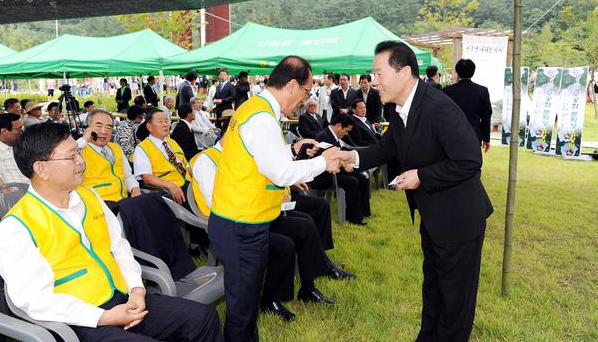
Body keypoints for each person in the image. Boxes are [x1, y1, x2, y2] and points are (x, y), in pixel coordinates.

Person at [0, 122, 222, 342]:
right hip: (76, 322)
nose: (81, 162)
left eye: (79, 154)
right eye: (72, 157)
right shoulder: (16, 227)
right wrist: (102, 317)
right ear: (41, 168)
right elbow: (33, 300)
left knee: (202, 318)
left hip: (122, 299)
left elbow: (119, 247)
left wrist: (136, 289)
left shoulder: (88, 197)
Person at [333, 41, 493, 342]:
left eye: (378, 73)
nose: (373, 80)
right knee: (433, 288)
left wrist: (422, 175)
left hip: (459, 219)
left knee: (454, 301)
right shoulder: (399, 108)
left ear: (405, 72)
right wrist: (351, 157)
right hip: (434, 217)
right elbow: (387, 147)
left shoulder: (438, 106)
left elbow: (470, 160)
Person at [209, 56, 341, 341]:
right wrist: (323, 162)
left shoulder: (258, 110)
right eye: (307, 92)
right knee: (243, 308)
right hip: (241, 224)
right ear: (292, 85)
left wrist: (294, 148)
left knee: (245, 302)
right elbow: (280, 174)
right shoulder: (261, 118)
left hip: (242, 220)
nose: (306, 100)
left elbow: (263, 159)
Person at [313, 114, 370, 226]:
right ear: (339, 126)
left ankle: (364, 213)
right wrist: (344, 165)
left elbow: (339, 152)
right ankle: (354, 218)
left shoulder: (332, 135)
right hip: (324, 175)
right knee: (352, 182)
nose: (346, 134)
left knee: (362, 177)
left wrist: (347, 162)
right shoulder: (323, 136)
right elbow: (328, 159)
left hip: (334, 171)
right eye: (346, 130)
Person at [78, 110, 142, 206]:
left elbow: (127, 175)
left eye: (109, 127)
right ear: (88, 128)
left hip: (123, 203)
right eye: (99, 126)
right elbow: (65, 157)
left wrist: (135, 188)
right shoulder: (79, 151)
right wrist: (84, 139)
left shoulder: (116, 148)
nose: (104, 131)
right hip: (97, 205)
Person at [442, 59, 493, 153]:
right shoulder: (482, 91)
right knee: (472, 164)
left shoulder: (447, 91)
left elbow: (442, 116)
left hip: (451, 135)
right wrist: (486, 139)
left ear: (457, 72)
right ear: (473, 72)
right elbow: (486, 116)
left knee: (451, 165)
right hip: (474, 135)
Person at [0, 113, 27, 184]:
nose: (22, 131)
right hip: (15, 194)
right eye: (19, 129)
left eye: (22, 128)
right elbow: (1, 186)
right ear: (4, 132)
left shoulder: (21, 146)